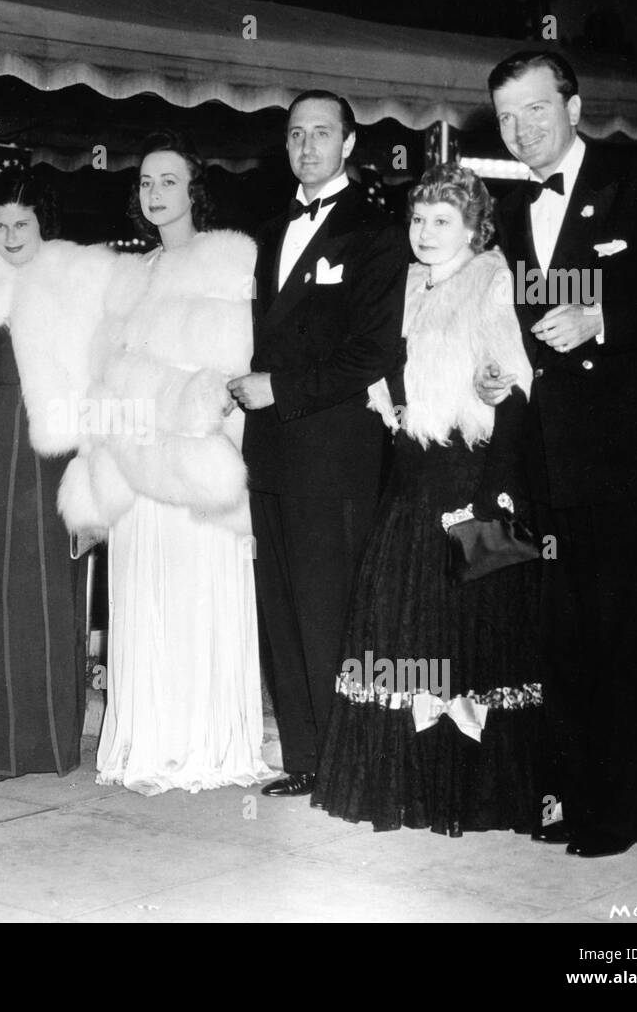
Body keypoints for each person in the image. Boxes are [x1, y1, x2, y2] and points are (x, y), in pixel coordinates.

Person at [480, 50, 637, 857]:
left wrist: (601, 320)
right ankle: (571, 800)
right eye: (507, 117)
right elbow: (518, 328)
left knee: (627, 636)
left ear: (575, 108)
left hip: (630, 458)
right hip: (549, 460)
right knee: (564, 637)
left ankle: (619, 815)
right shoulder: (512, 214)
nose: (521, 130)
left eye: (535, 110)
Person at [312, 163, 543, 834]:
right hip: (409, 471)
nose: (425, 231)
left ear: (474, 228)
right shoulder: (406, 283)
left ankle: (467, 790)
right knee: (399, 620)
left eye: (443, 220)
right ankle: (408, 781)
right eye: (418, 218)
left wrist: (493, 491)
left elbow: (515, 386)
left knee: (462, 625)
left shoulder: (492, 282)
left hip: (464, 471)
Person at [59, 130, 272, 796]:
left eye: (168, 181)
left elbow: (231, 375)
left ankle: (206, 744)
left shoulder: (231, 262)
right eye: (146, 182)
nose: (155, 194)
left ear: (194, 190)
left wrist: (186, 414)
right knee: (144, 600)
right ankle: (149, 741)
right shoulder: (131, 273)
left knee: (197, 596)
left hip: (197, 467)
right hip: (136, 469)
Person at [228, 91, 411, 798]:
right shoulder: (271, 231)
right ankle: (304, 756)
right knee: (282, 609)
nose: (307, 146)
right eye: (296, 134)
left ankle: (347, 760)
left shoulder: (378, 231)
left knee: (330, 607)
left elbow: (372, 352)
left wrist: (285, 389)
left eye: (321, 133)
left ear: (350, 142)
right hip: (270, 452)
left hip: (334, 453)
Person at [0, 170, 115, 780]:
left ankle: (52, 746)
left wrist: (95, 488)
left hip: (54, 459)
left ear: (45, 224)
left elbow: (100, 384)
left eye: (23, 224)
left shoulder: (81, 277)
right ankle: (1, 750)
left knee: (53, 596)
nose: (10, 237)